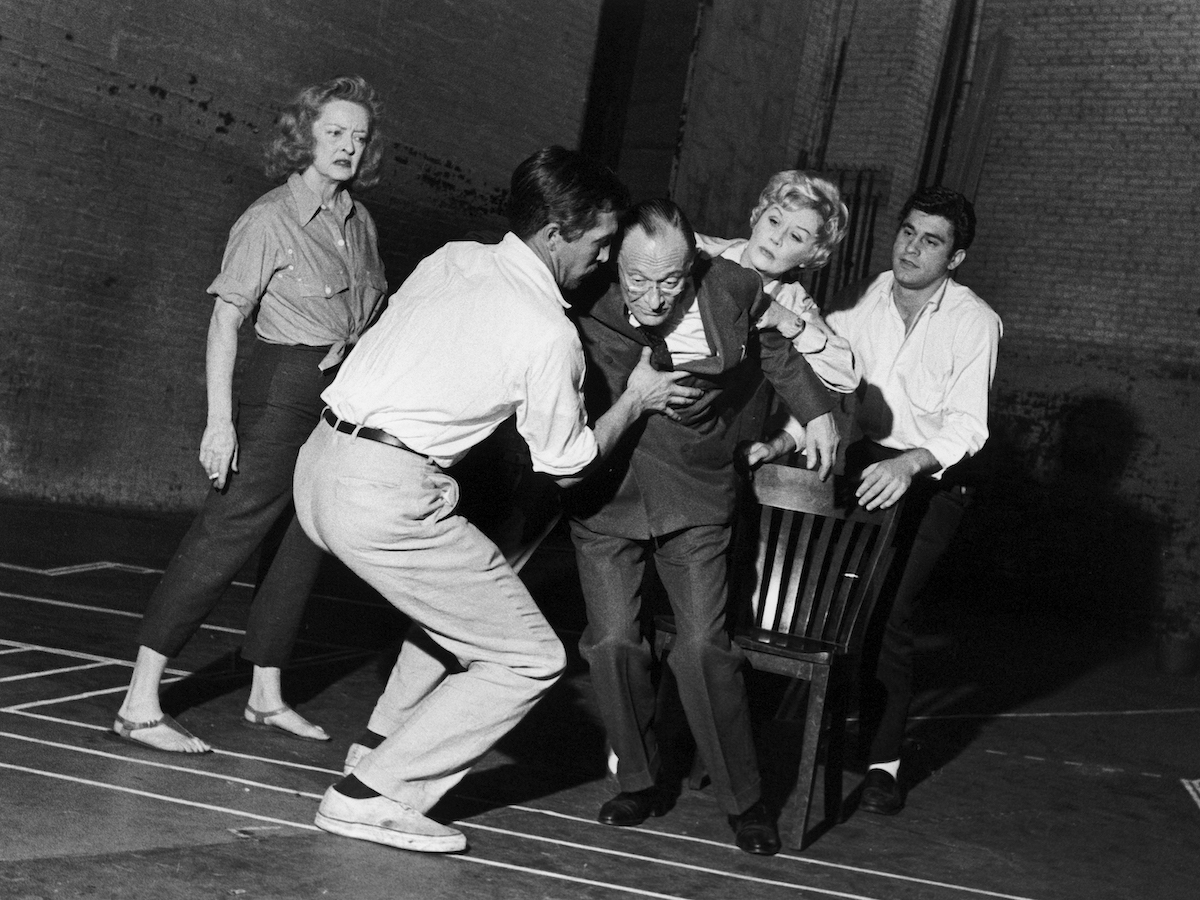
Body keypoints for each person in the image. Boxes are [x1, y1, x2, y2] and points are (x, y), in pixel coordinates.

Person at [292, 147, 701, 854]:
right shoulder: (549, 331)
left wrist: (423, 463)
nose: (603, 261)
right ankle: (370, 795)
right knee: (528, 658)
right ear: (555, 234)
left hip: (323, 464)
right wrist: (634, 400)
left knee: (464, 607)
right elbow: (566, 464)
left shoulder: (452, 258)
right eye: (600, 244)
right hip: (380, 496)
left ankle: (378, 746)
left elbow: (422, 361)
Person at [113, 76, 389, 754]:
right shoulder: (269, 218)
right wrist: (219, 422)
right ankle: (139, 701)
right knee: (226, 535)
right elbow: (224, 321)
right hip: (279, 388)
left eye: (358, 137)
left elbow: (373, 311)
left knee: (304, 542)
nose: (348, 147)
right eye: (334, 133)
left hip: (335, 393)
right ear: (304, 136)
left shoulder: (359, 223)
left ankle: (266, 694)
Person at [564, 199, 839, 856]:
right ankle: (638, 777)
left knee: (702, 649)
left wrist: (819, 410)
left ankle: (745, 801)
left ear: (694, 266)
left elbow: (773, 344)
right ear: (615, 263)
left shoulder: (732, 285)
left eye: (670, 280)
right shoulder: (582, 293)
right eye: (638, 278)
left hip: (696, 491)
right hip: (610, 490)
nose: (654, 296)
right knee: (610, 643)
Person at [824, 186, 1002, 815]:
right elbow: (818, 365)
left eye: (932, 241)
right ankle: (821, 733)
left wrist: (911, 463)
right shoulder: (865, 296)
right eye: (907, 232)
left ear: (954, 259)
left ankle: (884, 763)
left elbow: (968, 427)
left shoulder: (973, 321)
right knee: (832, 602)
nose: (912, 248)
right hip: (864, 464)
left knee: (890, 614)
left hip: (931, 476)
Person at [695, 170, 862, 468]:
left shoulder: (793, 302)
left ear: (809, 256)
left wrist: (789, 322)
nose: (777, 237)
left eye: (796, 236)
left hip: (711, 444)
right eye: (773, 220)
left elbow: (844, 376)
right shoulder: (701, 253)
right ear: (757, 217)